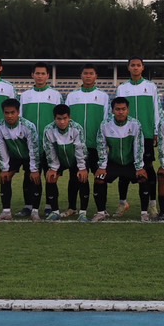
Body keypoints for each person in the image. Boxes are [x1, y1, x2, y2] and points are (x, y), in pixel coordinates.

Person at [117, 57, 161, 213]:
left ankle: (152, 204)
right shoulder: (122, 88)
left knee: (148, 168)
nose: (135, 68)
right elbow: (117, 110)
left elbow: (156, 109)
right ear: (128, 68)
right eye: (132, 65)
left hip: (146, 134)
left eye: (138, 65)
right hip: (126, 134)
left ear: (143, 67)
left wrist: (155, 131)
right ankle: (123, 202)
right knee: (124, 167)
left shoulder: (151, 86)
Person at [66, 65, 111, 215]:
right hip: (77, 146)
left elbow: (106, 120)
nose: (88, 76)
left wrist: (104, 141)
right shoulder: (72, 96)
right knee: (75, 177)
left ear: (96, 76)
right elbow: (67, 121)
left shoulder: (103, 96)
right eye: (85, 73)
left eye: (91, 73)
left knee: (100, 177)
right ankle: (72, 207)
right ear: (81, 76)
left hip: (96, 145)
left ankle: (102, 208)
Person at [95, 96, 148, 222]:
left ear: (128, 110)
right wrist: (102, 167)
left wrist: (139, 167)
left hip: (130, 163)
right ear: (112, 110)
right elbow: (101, 146)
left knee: (143, 178)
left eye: (123, 109)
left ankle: (144, 213)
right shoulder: (105, 124)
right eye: (117, 109)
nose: (120, 112)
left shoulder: (135, 124)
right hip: (114, 163)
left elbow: (139, 146)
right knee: (99, 179)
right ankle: (101, 212)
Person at [0, 97, 42, 221]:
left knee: (34, 178)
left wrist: (34, 169)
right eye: (6, 113)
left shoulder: (28, 126)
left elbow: (33, 148)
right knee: (4, 178)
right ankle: (6, 211)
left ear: (18, 112)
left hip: (29, 156)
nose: (9, 116)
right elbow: (0, 148)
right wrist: (4, 168)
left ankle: (34, 211)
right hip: (14, 156)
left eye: (12, 112)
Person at [42, 103, 89, 222]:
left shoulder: (77, 128)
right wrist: (53, 168)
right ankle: (55, 212)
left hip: (75, 159)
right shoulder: (48, 129)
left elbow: (80, 148)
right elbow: (49, 150)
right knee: (51, 178)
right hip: (59, 159)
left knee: (82, 178)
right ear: (54, 118)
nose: (62, 122)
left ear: (69, 117)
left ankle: (82, 213)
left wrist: (82, 167)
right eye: (59, 119)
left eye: (64, 118)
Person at [18, 63, 64, 149]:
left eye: (43, 74)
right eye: (37, 73)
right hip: (29, 141)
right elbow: (19, 118)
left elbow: (61, 118)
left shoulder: (56, 95)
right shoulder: (24, 95)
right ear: (32, 75)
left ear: (48, 76)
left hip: (50, 141)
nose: (40, 76)